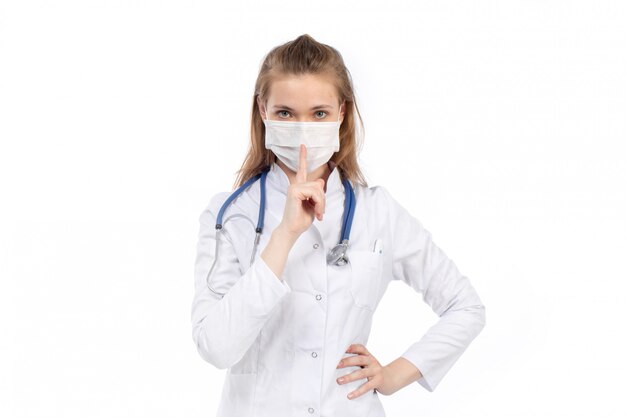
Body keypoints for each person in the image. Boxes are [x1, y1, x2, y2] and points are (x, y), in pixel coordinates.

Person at [191, 34, 486, 417]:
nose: (302, 128)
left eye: (318, 113)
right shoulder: (231, 215)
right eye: (284, 113)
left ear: (342, 112)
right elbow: (216, 347)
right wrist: (284, 235)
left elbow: (466, 307)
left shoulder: (377, 212)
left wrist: (396, 374)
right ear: (262, 110)